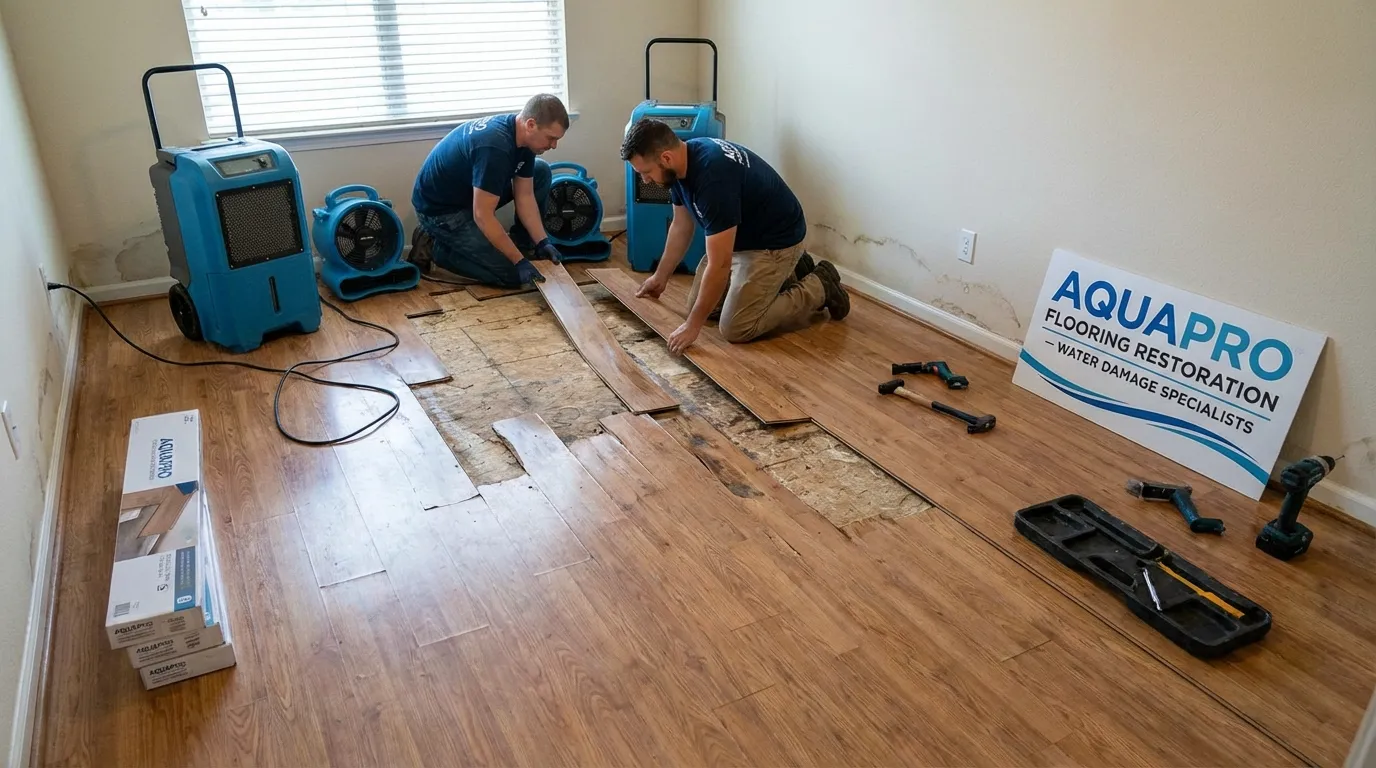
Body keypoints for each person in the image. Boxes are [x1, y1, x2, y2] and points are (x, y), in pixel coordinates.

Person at [619, 118, 849, 354]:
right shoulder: (680, 164)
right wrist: (660, 277)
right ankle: (792, 273)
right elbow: (681, 226)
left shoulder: (713, 180)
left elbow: (720, 264)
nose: (644, 180)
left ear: (666, 158)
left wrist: (692, 327)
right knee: (699, 307)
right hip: (739, 238)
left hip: (774, 243)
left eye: (646, 172)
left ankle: (821, 284)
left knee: (737, 327)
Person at [407, 93, 570, 287]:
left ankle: (524, 246)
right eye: (551, 138)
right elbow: (483, 215)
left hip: (470, 196)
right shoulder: (495, 147)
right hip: (442, 212)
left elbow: (524, 195)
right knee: (510, 275)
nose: (554, 145)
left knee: (540, 170)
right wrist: (518, 263)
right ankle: (435, 247)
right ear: (531, 124)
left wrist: (543, 242)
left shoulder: (524, 140)